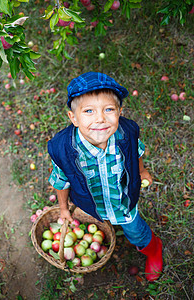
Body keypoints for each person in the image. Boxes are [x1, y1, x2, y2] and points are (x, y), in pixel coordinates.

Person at [47, 72, 163, 281]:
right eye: (89, 111)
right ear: (73, 117)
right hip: (91, 205)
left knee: (136, 231)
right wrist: (64, 209)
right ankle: (109, 225)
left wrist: (142, 171)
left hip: (123, 201)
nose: (100, 119)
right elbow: (60, 180)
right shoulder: (64, 149)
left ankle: (153, 249)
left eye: (109, 109)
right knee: (95, 225)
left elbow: (135, 153)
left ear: (120, 111)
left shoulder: (125, 135)